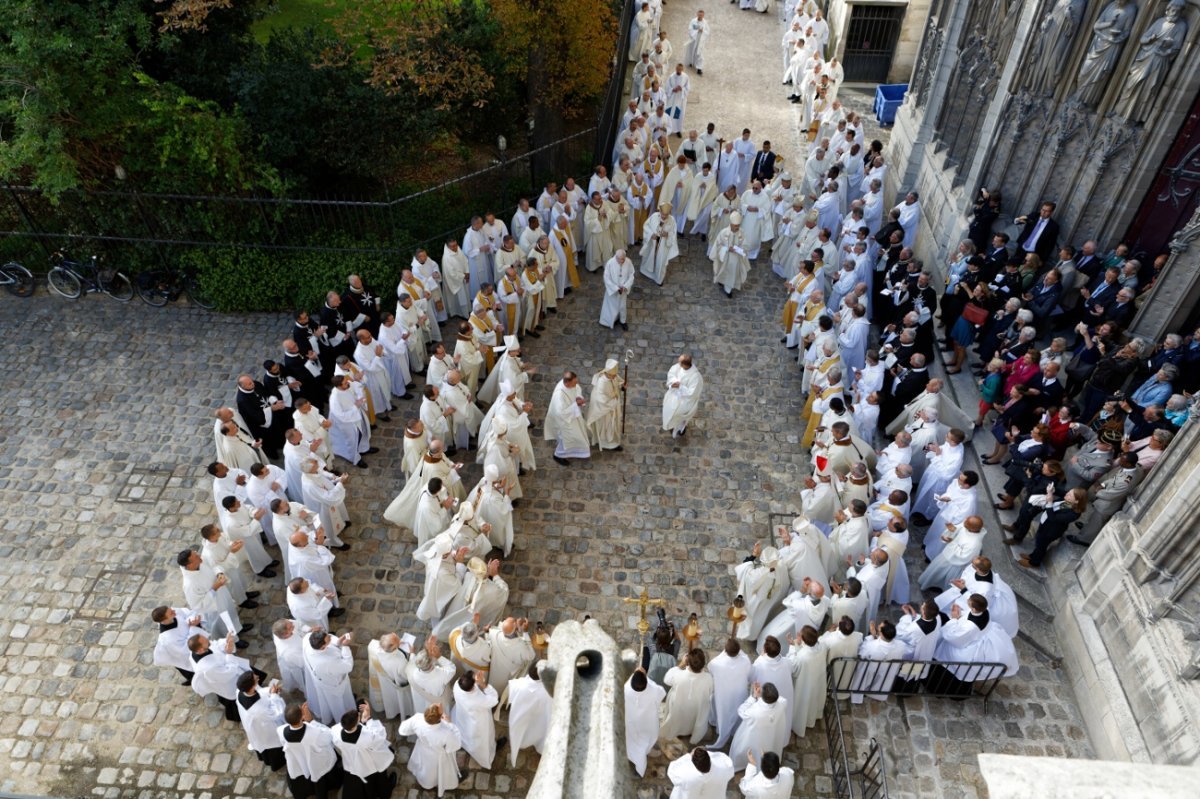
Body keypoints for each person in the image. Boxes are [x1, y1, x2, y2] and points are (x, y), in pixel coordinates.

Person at [331, 702, 398, 799]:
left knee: (367, 779)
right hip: (369, 760)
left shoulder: (336, 731)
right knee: (380, 772)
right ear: (357, 721)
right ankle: (385, 790)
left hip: (352, 760)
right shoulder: (367, 736)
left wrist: (362, 722)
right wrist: (369, 718)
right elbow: (380, 736)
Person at [279, 701, 344, 799]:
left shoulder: (280, 730)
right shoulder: (313, 733)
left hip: (298, 761)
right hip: (316, 762)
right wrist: (311, 721)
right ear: (302, 717)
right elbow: (328, 736)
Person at [398, 704, 462, 797]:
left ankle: (426, 784)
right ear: (440, 717)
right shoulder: (446, 731)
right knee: (436, 772)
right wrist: (450, 724)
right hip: (437, 756)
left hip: (422, 750)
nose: (439, 704)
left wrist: (415, 731)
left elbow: (402, 730)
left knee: (425, 770)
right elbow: (455, 745)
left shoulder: (417, 719)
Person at [728, 682, 789, 771]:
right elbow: (778, 699)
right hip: (771, 734)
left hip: (755, 736)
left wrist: (754, 696)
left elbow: (741, 710)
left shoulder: (754, 712)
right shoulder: (783, 703)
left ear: (762, 696)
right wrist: (762, 695)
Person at [237, 671, 287, 771]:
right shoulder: (257, 710)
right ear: (251, 686)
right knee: (273, 743)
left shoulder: (241, 692)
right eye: (255, 679)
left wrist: (270, 690)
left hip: (256, 722)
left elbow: (259, 692)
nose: (258, 677)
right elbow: (276, 713)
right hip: (265, 727)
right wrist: (274, 695)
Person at [661, 648, 715, 743]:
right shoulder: (708, 678)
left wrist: (681, 664)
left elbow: (666, 679)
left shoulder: (678, 675)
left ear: (688, 662)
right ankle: (691, 732)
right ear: (703, 664)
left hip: (678, 707)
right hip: (696, 710)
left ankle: (677, 731)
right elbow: (711, 692)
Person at [303, 630, 355, 725]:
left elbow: (330, 639)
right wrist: (345, 646)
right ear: (323, 647)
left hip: (321, 680)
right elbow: (348, 666)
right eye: (328, 640)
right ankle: (344, 720)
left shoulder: (308, 638)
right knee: (338, 704)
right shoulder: (326, 663)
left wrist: (338, 641)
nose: (331, 637)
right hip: (334, 684)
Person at [708, 638, 753, 748]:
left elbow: (710, 668)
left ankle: (719, 725)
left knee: (719, 706)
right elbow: (749, 674)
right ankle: (735, 729)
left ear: (725, 651)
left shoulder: (717, 663)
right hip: (739, 692)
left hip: (723, 694)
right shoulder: (745, 660)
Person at [451, 670, 501, 769]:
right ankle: (486, 757)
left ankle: (465, 745)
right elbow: (494, 699)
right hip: (477, 722)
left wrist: (475, 680)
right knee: (482, 741)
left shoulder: (457, 684)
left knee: (465, 733)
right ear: (472, 687)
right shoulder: (477, 699)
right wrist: (483, 684)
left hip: (462, 715)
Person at [507, 661, 552, 766]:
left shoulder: (518, 684)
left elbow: (508, 698)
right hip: (541, 718)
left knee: (522, 733)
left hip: (522, 716)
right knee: (539, 732)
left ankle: (521, 743)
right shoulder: (549, 691)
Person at [624, 667, 666, 776]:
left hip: (631, 721)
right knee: (646, 739)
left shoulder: (626, 689)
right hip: (647, 722)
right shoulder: (652, 689)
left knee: (631, 740)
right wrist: (645, 675)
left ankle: (633, 755)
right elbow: (662, 693)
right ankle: (644, 752)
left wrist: (637, 673)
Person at [786, 625, 827, 735]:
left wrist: (792, 646)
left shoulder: (802, 656)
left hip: (805, 684)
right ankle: (813, 717)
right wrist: (797, 644)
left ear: (804, 639)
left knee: (804, 704)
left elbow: (793, 667)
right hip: (818, 680)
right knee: (814, 700)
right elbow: (807, 650)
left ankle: (800, 723)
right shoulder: (822, 646)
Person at [545, 370, 591, 466]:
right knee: (567, 438)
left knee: (577, 436)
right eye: (574, 383)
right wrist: (576, 404)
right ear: (567, 382)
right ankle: (558, 455)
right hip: (563, 420)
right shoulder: (559, 394)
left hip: (572, 415)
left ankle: (575, 451)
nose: (576, 384)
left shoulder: (571, 384)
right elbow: (561, 413)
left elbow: (577, 389)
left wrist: (578, 397)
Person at [151, 605, 203, 686]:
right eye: (171, 613)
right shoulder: (168, 639)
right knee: (189, 671)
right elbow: (186, 650)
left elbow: (185, 613)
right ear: (164, 620)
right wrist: (193, 627)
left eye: (171, 610)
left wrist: (191, 620)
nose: (174, 611)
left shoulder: (172, 612)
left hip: (189, 643)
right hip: (180, 656)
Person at [367, 632, 413, 721]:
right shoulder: (400, 662)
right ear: (395, 648)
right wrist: (412, 655)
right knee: (399, 699)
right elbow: (407, 675)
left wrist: (399, 643)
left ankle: (391, 711)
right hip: (397, 683)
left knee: (389, 696)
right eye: (397, 641)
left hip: (384, 681)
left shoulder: (375, 649)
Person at [667, 746, 735, 798]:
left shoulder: (684, 773)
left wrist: (688, 756)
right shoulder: (724, 767)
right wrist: (704, 753)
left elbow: (672, 769)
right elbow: (725, 760)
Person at [663, 354, 704, 438]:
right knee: (669, 411)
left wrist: (680, 386)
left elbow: (692, 392)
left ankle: (679, 428)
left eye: (679, 362)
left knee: (678, 415)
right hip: (673, 396)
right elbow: (671, 374)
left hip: (685, 400)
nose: (678, 364)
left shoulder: (696, 376)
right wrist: (674, 382)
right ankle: (671, 425)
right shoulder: (678, 367)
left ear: (684, 364)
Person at [711, 212, 751, 297]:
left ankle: (728, 289)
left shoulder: (742, 232)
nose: (737, 227)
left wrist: (740, 249)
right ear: (731, 224)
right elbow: (718, 245)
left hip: (736, 258)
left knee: (732, 273)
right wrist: (726, 249)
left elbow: (746, 245)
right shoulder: (723, 232)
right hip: (725, 257)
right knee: (723, 271)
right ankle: (723, 283)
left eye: (738, 225)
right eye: (735, 225)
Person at [600, 249, 635, 330]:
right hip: (613, 290)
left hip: (623, 289)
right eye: (620, 259)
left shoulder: (628, 262)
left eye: (623, 259)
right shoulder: (610, 263)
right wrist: (615, 288)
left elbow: (631, 275)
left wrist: (625, 286)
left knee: (622, 306)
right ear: (616, 257)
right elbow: (606, 278)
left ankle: (623, 321)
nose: (622, 261)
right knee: (612, 306)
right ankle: (613, 319)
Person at [685, 9, 710, 75]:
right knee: (691, 51)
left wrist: (703, 31)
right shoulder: (693, 21)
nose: (700, 16)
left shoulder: (705, 23)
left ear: (703, 15)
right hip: (693, 39)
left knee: (700, 53)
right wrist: (697, 32)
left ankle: (699, 68)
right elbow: (690, 29)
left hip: (700, 40)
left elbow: (708, 31)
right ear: (697, 14)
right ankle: (691, 62)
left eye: (701, 15)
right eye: (699, 15)